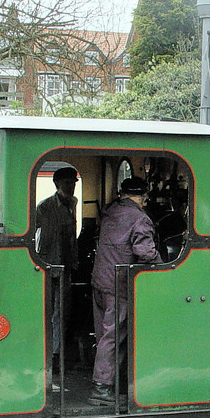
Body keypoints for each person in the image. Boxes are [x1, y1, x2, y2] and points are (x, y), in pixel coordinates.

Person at [90, 177, 161, 405]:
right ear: (142, 197)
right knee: (112, 337)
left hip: (100, 281)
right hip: (118, 286)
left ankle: (112, 384)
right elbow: (146, 252)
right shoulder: (139, 218)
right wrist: (166, 268)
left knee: (105, 336)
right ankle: (101, 389)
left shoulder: (110, 212)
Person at [34, 165, 79, 375]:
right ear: (57, 184)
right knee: (51, 312)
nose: (71, 187)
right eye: (67, 183)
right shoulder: (44, 208)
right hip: (49, 265)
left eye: (73, 183)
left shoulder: (73, 203)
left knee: (64, 313)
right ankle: (51, 354)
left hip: (67, 266)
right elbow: (38, 237)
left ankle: (58, 352)